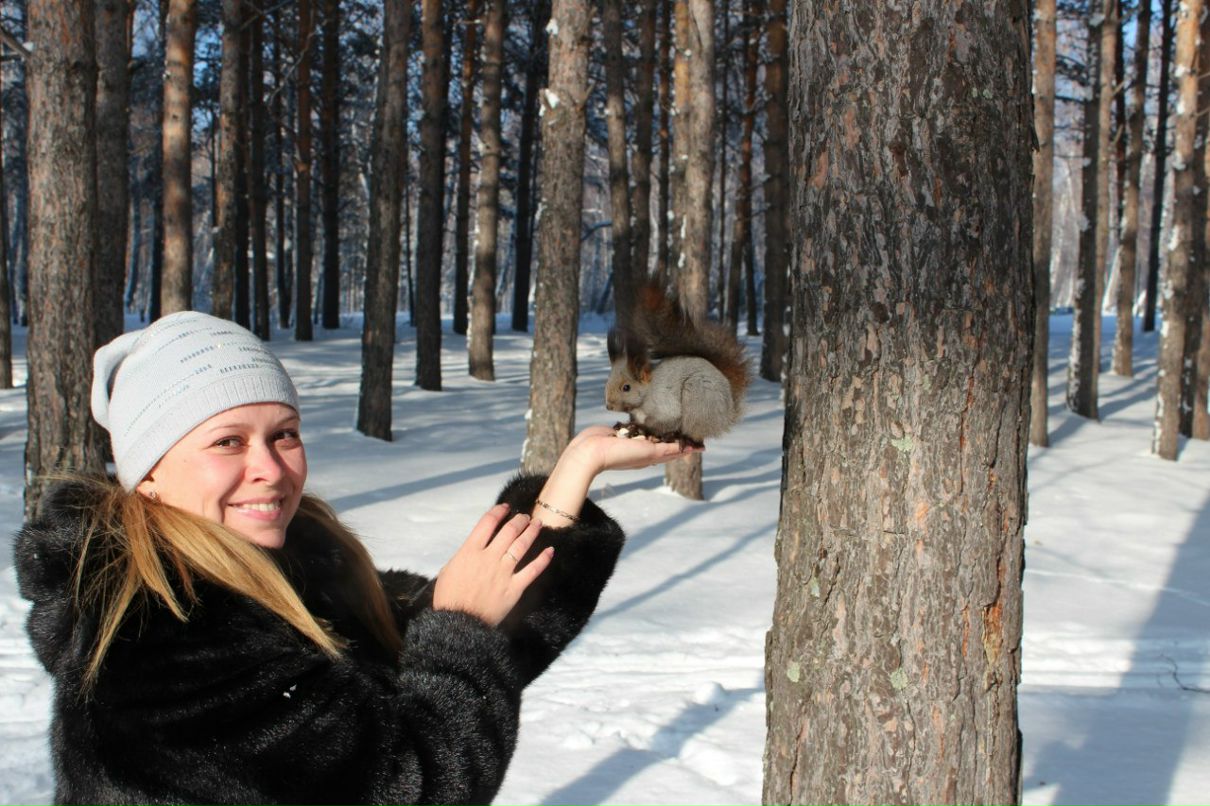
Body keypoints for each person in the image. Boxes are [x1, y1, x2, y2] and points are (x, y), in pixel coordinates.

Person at [15, 311, 697, 806]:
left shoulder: (283, 578)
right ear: (150, 474)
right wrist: (465, 631)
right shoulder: (155, 644)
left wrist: (575, 475)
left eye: (284, 435)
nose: (271, 470)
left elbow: (428, 656)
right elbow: (411, 779)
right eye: (228, 442)